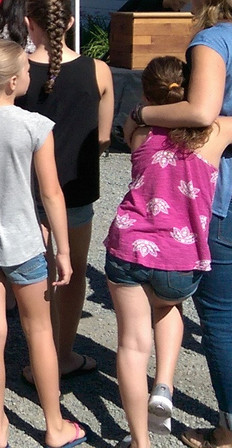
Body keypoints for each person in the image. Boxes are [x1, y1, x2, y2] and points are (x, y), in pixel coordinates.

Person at [0, 39, 84, 448]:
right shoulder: (34, 126)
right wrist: (63, 250)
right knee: (39, 331)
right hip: (25, 243)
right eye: (25, 69)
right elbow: (51, 194)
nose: (30, 74)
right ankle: (54, 426)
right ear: (10, 82)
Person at [132, 0, 232, 448]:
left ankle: (228, 429)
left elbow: (201, 111)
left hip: (222, 194)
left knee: (220, 316)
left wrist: (144, 115)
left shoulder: (213, 39)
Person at [109, 56, 232, 448]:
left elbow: (137, 125)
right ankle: (163, 384)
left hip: (128, 246)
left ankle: (140, 442)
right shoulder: (215, 133)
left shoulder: (138, 130)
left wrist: (139, 112)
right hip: (181, 257)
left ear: (147, 96)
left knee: (131, 345)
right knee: (169, 307)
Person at [17, 0, 114, 385]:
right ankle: (62, 354)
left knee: (34, 276)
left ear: (29, 24)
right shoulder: (99, 70)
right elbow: (103, 137)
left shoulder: (17, 73)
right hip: (75, 187)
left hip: (26, 189)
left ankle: (37, 357)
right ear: (70, 22)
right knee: (71, 273)